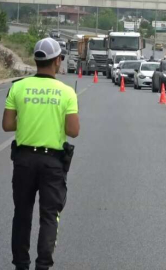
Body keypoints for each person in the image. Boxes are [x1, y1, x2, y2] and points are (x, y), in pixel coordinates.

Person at [2, 37, 80, 270]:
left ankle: (21, 265)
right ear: (57, 61)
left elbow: (7, 125)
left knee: (22, 214)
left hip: (24, 160)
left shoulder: (18, 87)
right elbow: (73, 131)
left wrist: (30, 119)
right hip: (52, 163)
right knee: (49, 215)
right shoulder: (66, 92)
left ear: (36, 60)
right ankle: (43, 265)